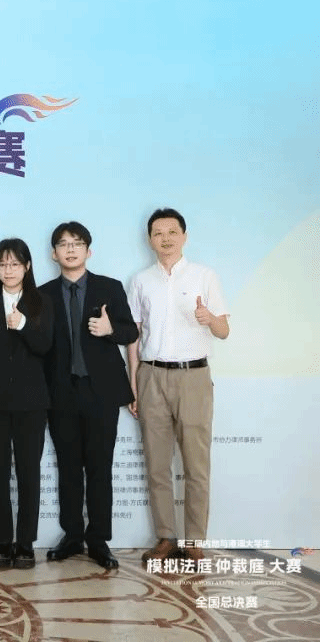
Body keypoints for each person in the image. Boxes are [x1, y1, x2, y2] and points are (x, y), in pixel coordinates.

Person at [126, 208, 229, 563]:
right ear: (149, 240)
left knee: (196, 464)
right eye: (158, 233)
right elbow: (134, 337)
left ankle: (195, 541)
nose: (165, 238)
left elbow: (224, 331)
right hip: (151, 375)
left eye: (172, 232)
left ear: (184, 236)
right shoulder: (140, 281)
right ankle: (166, 538)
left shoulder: (204, 275)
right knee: (157, 464)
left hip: (193, 376)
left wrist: (209, 318)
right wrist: (134, 384)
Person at [39, 222, 138, 570]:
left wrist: (110, 330)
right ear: (54, 254)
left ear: (88, 251)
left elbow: (130, 332)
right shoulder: (42, 294)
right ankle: (72, 535)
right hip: (60, 393)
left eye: (77, 243)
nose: (70, 249)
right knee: (68, 467)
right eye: (63, 244)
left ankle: (98, 539)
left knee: (99, 467)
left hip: (101, 393)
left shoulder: (109, 287)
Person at [0, 238, 53, 570]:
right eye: (3, 264)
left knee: (29, 473)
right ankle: (3, 542)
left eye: (15, 264)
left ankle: (26, 543)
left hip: (32, 402)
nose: (8, 270)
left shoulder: (41, 300)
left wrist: (21, 324)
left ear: (27, 267)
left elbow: (46, 346)